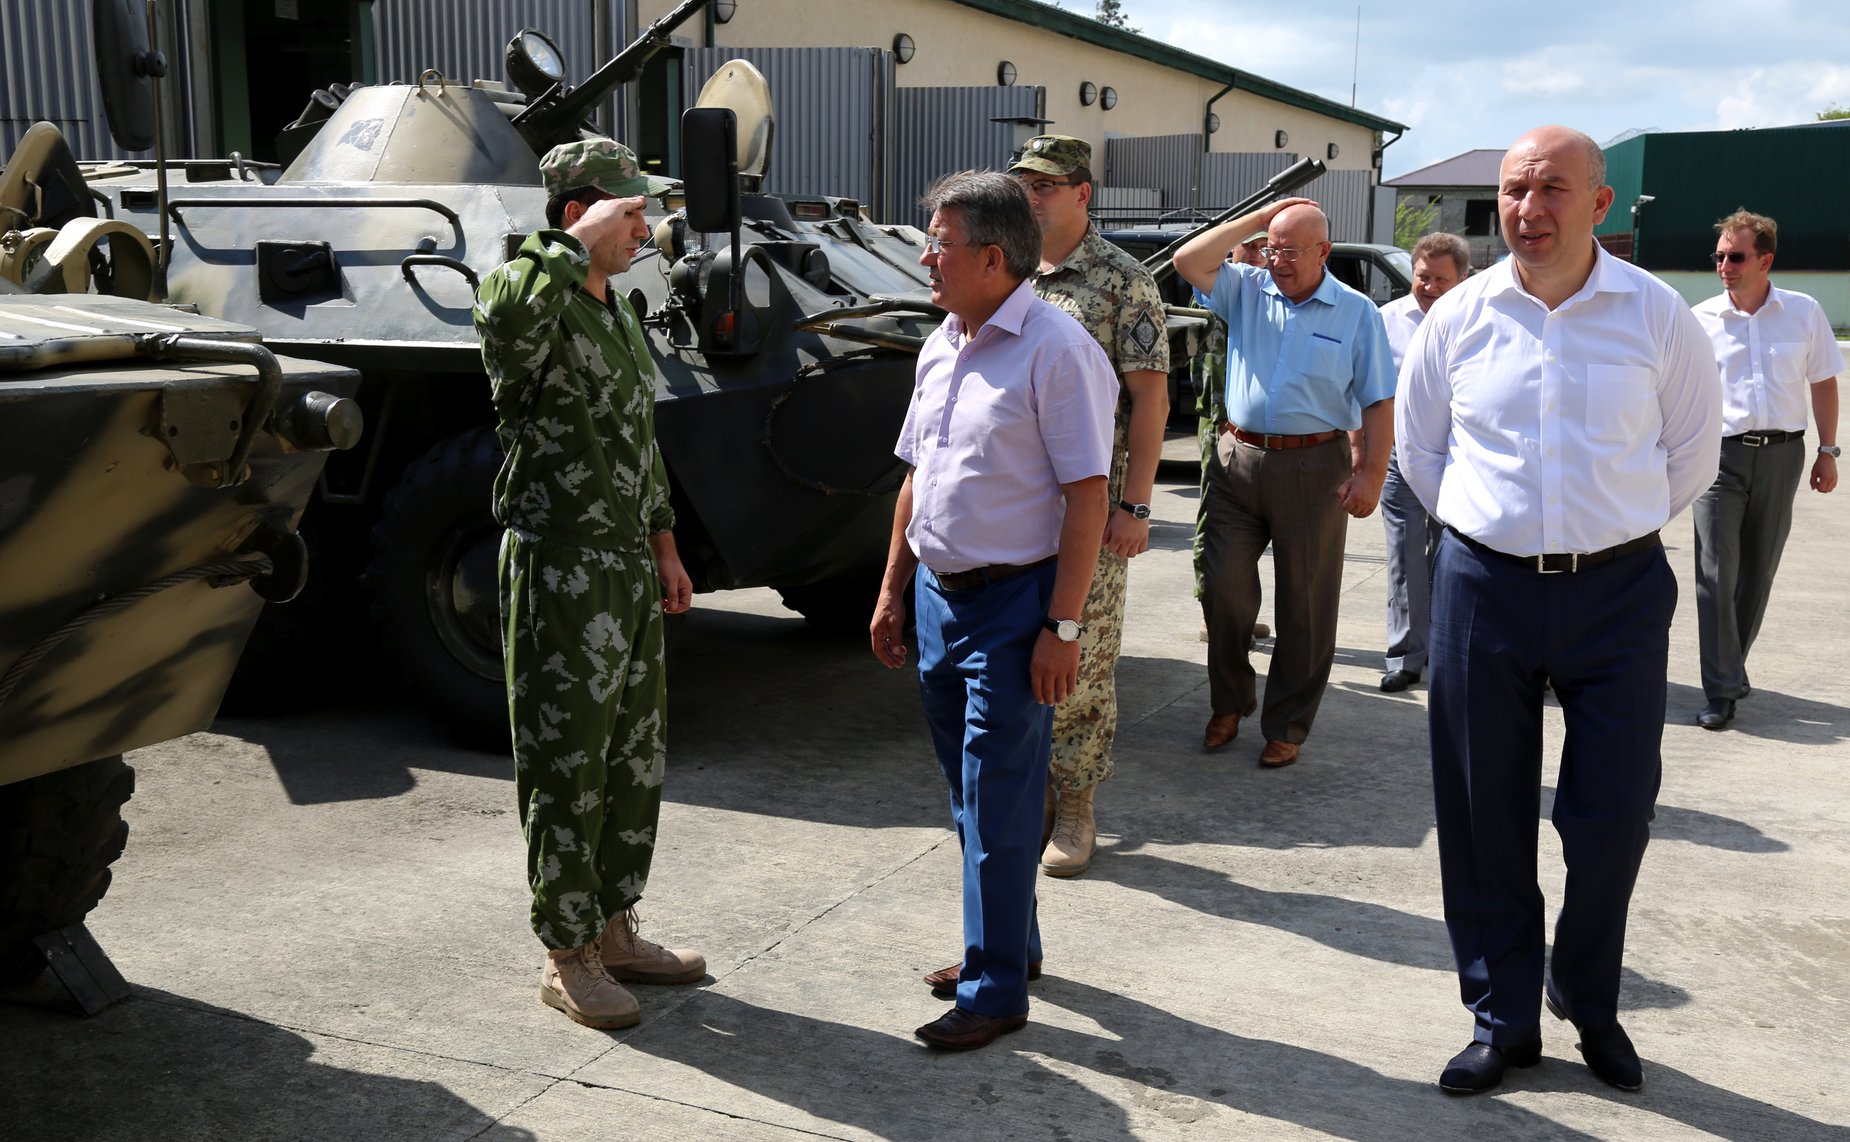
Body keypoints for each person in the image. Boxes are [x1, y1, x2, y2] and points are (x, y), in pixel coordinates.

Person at [1398, 126, 1722, 1095]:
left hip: (1615, 590)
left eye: (1549, 189)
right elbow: (1421, 453)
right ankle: (1500, 1015)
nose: (1526, 209)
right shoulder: (1456, 317)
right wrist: (1491, 534)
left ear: (1599, 204)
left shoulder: (1656, 317)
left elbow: (1690, 454)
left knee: (1612, 811)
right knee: (1479, 806)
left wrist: (1599, 529)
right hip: (1481, 586)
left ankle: (1584, 996)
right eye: (1510, 189)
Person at [869, 170, 1115, 1051]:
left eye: (940, 241)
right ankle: (1011, 946)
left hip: (1016, 607)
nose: (927, 256)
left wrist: (1063, 627)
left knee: (1001, 797)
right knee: (973, 798)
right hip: (940, 597)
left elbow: (1089, 496)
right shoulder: (945, 340)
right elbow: (916, 478)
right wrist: (895, 586)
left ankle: (994, 991)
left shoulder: (1057, 350)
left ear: (995, 256)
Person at [475, 138, 705, 1030]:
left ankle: (612, 926)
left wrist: (665, 546)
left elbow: (638, 443)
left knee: (631, 756)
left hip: (624, 563)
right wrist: (572, 244)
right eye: (629, 211)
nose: (643, 227)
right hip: (561, 560)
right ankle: (564, 951)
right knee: (566, 762)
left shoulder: (613, 311)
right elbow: (503, 327)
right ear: (579, 213)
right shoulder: (529, 290)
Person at [1173, 198, 1396, 767]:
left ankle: (1288, 724)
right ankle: (1230, 700)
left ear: (1324, 252)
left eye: (1291, 251)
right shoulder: (1246, 288)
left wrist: (1371, 472)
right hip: (1236, 460)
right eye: (1271, 249)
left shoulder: (1356, 312)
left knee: (1306, 604)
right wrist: (1263, 218)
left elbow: (1377, 398)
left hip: (1314, 467)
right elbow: (1187, 261)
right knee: (1223, 589)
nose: (1278, 261)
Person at [1008, 135, 1169, 877]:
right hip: (1013, 503)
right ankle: (1026, 796)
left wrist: (1136, 504)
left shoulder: (1122, 282)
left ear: (1083, 193)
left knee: (1084, 654)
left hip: (1090, 505)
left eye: (1047, 185)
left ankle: (1075, 802)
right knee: (1014, 652)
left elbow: (1149, 397)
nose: (1033, 195)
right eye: (1025, 184)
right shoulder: (1006, 270)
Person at [1689, 209, 1841, 730]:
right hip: (1718, 459)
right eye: (1718, 257)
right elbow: (1681, 392)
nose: (1723, 266)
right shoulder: (1701, 318)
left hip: (1783, 455)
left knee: (1757, 570)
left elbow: (1823, 381)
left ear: (1765, 259)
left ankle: (1731, 666)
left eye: (1735, 256)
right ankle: (1721, 688)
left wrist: (1829, 449)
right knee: (1715, 571)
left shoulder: (1803, 312)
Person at [1376, 233, 1470, 693]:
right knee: (1406, 558)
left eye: (1441, 279)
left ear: (1462, 278)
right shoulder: (1385, 322)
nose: (1430, 287)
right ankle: (1406, 656)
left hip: (1463, 460)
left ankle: (1450, 650)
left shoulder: (1478, 319)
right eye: (1422, 277)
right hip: (1400, 457)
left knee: (1458, 558)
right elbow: (1368, 392)